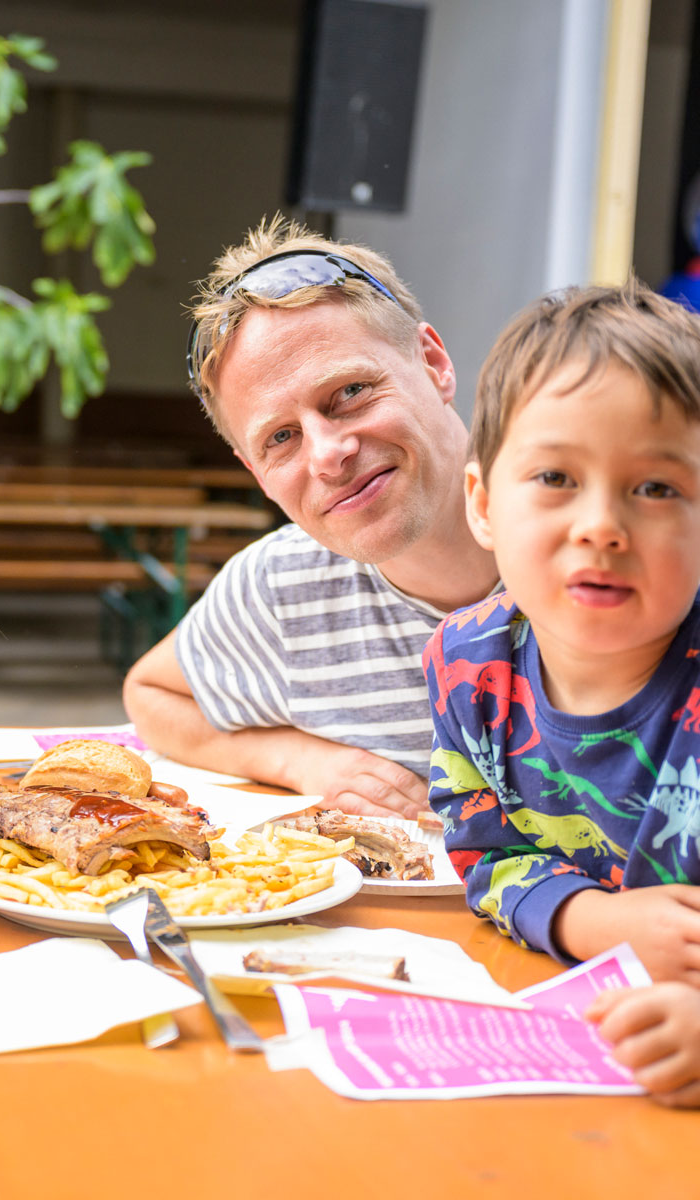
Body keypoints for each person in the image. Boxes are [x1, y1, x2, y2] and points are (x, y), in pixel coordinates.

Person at [423, 279, 700, 1107]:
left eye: (657, 488)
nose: (602, 525)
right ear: (481, 503)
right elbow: (485, 851)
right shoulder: (468, 665)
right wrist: (595, 924)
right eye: (554, 476)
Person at [122, 216, 497, 817]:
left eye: (348, 393)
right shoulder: (281, 585)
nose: (327, 456)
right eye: (281, 437)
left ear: (434, 364)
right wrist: (303, 760)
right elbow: (150, 696)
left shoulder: (591, 535)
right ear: (255, 473)